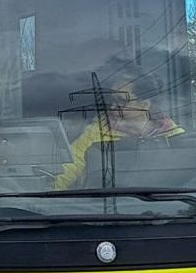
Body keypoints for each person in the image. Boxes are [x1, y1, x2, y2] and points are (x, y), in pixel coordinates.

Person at [54, 70, 185, 190]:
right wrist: (44, 193)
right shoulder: (96, 132)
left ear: (145, 105)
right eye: (112, 100)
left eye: (121, 101)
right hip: (104, 207)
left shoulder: (175, 136)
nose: (112, 106)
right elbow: (68, 168)